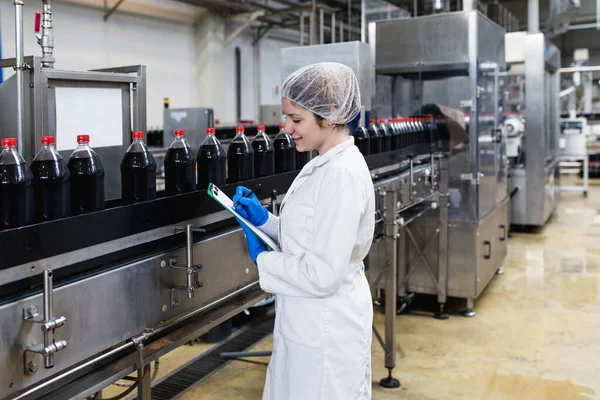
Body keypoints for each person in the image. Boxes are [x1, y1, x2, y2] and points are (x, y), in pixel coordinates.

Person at [233, 62, 375, 400]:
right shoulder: (322, 162)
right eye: (287, 118)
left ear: (329, 116)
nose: (287, 128)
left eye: (297, 120)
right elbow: (313, 236)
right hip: (308, 322)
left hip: (327, 326)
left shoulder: (342, 175)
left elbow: (323, 273)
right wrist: (265, 221)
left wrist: (263, 258)